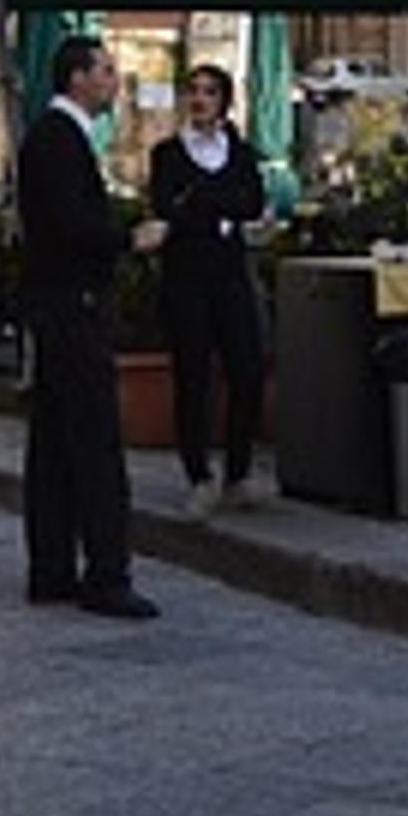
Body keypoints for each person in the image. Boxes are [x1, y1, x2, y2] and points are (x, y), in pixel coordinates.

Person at [19, 33, 165, 617]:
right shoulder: (59, 140)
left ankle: (52, 565)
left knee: (54, 439)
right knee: (94, 437)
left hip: (56, 300)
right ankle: (107, 572)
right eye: (105, 70)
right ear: (77, 77)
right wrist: (131, 238)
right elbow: (73, 226)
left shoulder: (56, 138)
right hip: (73, 301)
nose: (114, 80)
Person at [145, 63, 270, 516]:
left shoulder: (239, 151)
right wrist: (217, 205)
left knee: (248, 368)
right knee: (192, 375)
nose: (200, 100)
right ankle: (198, 472)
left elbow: (252, 203)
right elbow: (166, 207)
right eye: (193, 91)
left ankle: (238, 470)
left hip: (230, 272)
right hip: (187, 275)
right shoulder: (167, 154)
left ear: (224, 100)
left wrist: (200, 198)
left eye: (209, 92)